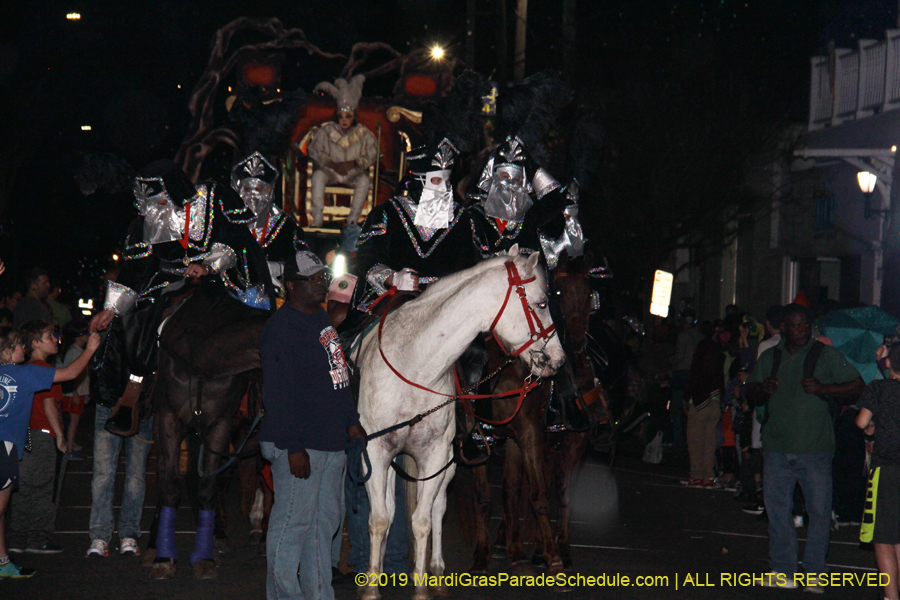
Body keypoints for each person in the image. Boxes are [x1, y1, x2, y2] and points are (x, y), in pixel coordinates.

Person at [259, 250, 366, 600]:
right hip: (299, 444)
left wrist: (351, 421)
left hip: (331, 442)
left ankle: (319, 594)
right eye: (313, 279)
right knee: (292, 527)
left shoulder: (321, 320)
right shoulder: (280, 327)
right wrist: (293, 446)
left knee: (323, 527)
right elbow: (276, 392)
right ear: (291, 285)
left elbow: (339, 376)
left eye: (323, 277)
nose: (323, 283)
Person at [747, 303, 864, 591]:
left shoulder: (823, 354)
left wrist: (824, 389)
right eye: (795, 324)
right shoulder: (771, 356)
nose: (802, 329)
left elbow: (858, 386)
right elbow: (749, 390)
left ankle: (814, 572)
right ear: (783, 328)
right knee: (778, 511)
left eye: (805, 324)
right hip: (776, 446)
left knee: (819, 512)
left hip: (815, 448)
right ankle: (783, 570)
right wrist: (763, 389)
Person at [0, 325, 100, 578]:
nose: (23, 347)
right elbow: (70, 373)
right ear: (7, 352)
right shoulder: (26, 373)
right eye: (18, 345)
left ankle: (3, 561)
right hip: (6, 447)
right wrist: (89, 350)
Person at [6, 320, 70, 555]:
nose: (55, 340)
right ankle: (38, 538)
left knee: (23, 489)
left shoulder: (23, 369)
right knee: (45, 489)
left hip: (25, 434)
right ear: (35, 343)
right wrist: (60, 436)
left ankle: (17, 537)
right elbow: (49, 404)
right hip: (43, 434)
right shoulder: (43, 370)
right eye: (49, 337)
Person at [309, 75, 378, 246]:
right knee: (318, 176)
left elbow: (373, 153)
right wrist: (331, 163)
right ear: (337, 117)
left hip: (353, 173)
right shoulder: (326, 131)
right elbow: (314, 150)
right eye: (342, 116)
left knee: (364, 180)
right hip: (331, 172)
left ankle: (353, 220)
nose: (345, 120)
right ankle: (317, 217)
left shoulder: (364, 134)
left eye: (348, 116)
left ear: (353, 116)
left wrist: (355, 163)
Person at [230, 151, 308, 300]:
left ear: (269, 190)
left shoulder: (287, 226)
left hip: (276, 295)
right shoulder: (230, 222)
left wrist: (278, 268)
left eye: (258, 189)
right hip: (234, 294)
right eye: (247, 189)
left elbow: (304, 261)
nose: (252, 195)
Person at [857, 343, 900, 600]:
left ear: (889, 364)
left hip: (887, 470)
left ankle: (891, 596)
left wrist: (873, 426)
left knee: (883, 536)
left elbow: (862, 421)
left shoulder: (879, 388)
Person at [682, 333, 725, 488]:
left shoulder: (699, 364)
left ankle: (697, 476)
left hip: (700, 404)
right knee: (710, 443)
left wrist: (685, 400)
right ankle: (709, 477)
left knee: (695, 442)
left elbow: (692, 383)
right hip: (715, 404)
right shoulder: (718, 362)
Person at [59, 320, 90, 460]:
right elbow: (71, 375)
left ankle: (71, 443)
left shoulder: (79, 351)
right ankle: (69, 449)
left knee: (74, 421)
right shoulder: (74, 352)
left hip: (78, 392)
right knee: (73, 421)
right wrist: (76, 393)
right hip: (73, 394)